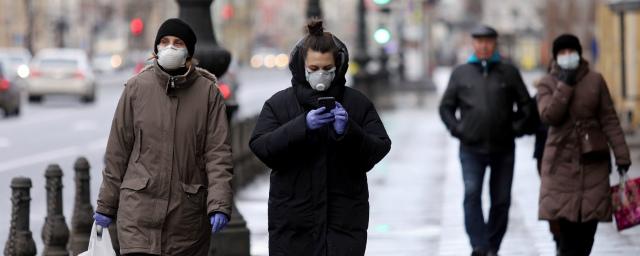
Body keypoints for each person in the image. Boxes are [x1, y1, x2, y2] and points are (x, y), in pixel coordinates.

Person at [249, 19, 391, 256]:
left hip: (343, 223)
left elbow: (378, 148)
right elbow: (262, 147)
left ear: (338, 66)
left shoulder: (357, 103)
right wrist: (301, 126)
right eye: (313, 69)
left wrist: (348, 130)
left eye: (327, 68)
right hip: (293, 224)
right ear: (301, 67)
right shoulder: (279, 104)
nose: (321, 75)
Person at [94, 18, 234, 256]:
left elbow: (217, 154)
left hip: (186, 222)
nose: (170, 47)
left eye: (178, 43)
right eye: (165, 42)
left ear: (189, 51)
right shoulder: (136, 89)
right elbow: (118, 151)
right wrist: (106, 205)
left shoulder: (208, 93)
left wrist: (219, 204)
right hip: (138, 215)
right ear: (156, 49)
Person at [439, 25, 534, 256]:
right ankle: (479, 246)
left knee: (501, 200)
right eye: (479, 41)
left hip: (503, 148)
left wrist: (516, 128)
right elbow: (446, 107)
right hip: (471, 148)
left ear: (495, 44)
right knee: (472, 194)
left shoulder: (509, 72)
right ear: (473, 44)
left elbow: (526, 106)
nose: (483, 46)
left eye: (488, 42)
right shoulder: (461, 73)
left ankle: (492, 246)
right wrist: (458, 129)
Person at [537, 34, 631, 256]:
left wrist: (622, 156)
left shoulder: (595, 80)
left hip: (593, 162)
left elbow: (609, 119)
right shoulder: (547, 84)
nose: (568, 56)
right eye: (562, 53)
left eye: (572, 52)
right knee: (567, 233)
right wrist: (565, 85)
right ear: (555, 57)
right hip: (560, 165)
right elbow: (550, 116)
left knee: (587, 233)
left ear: (579, 53)